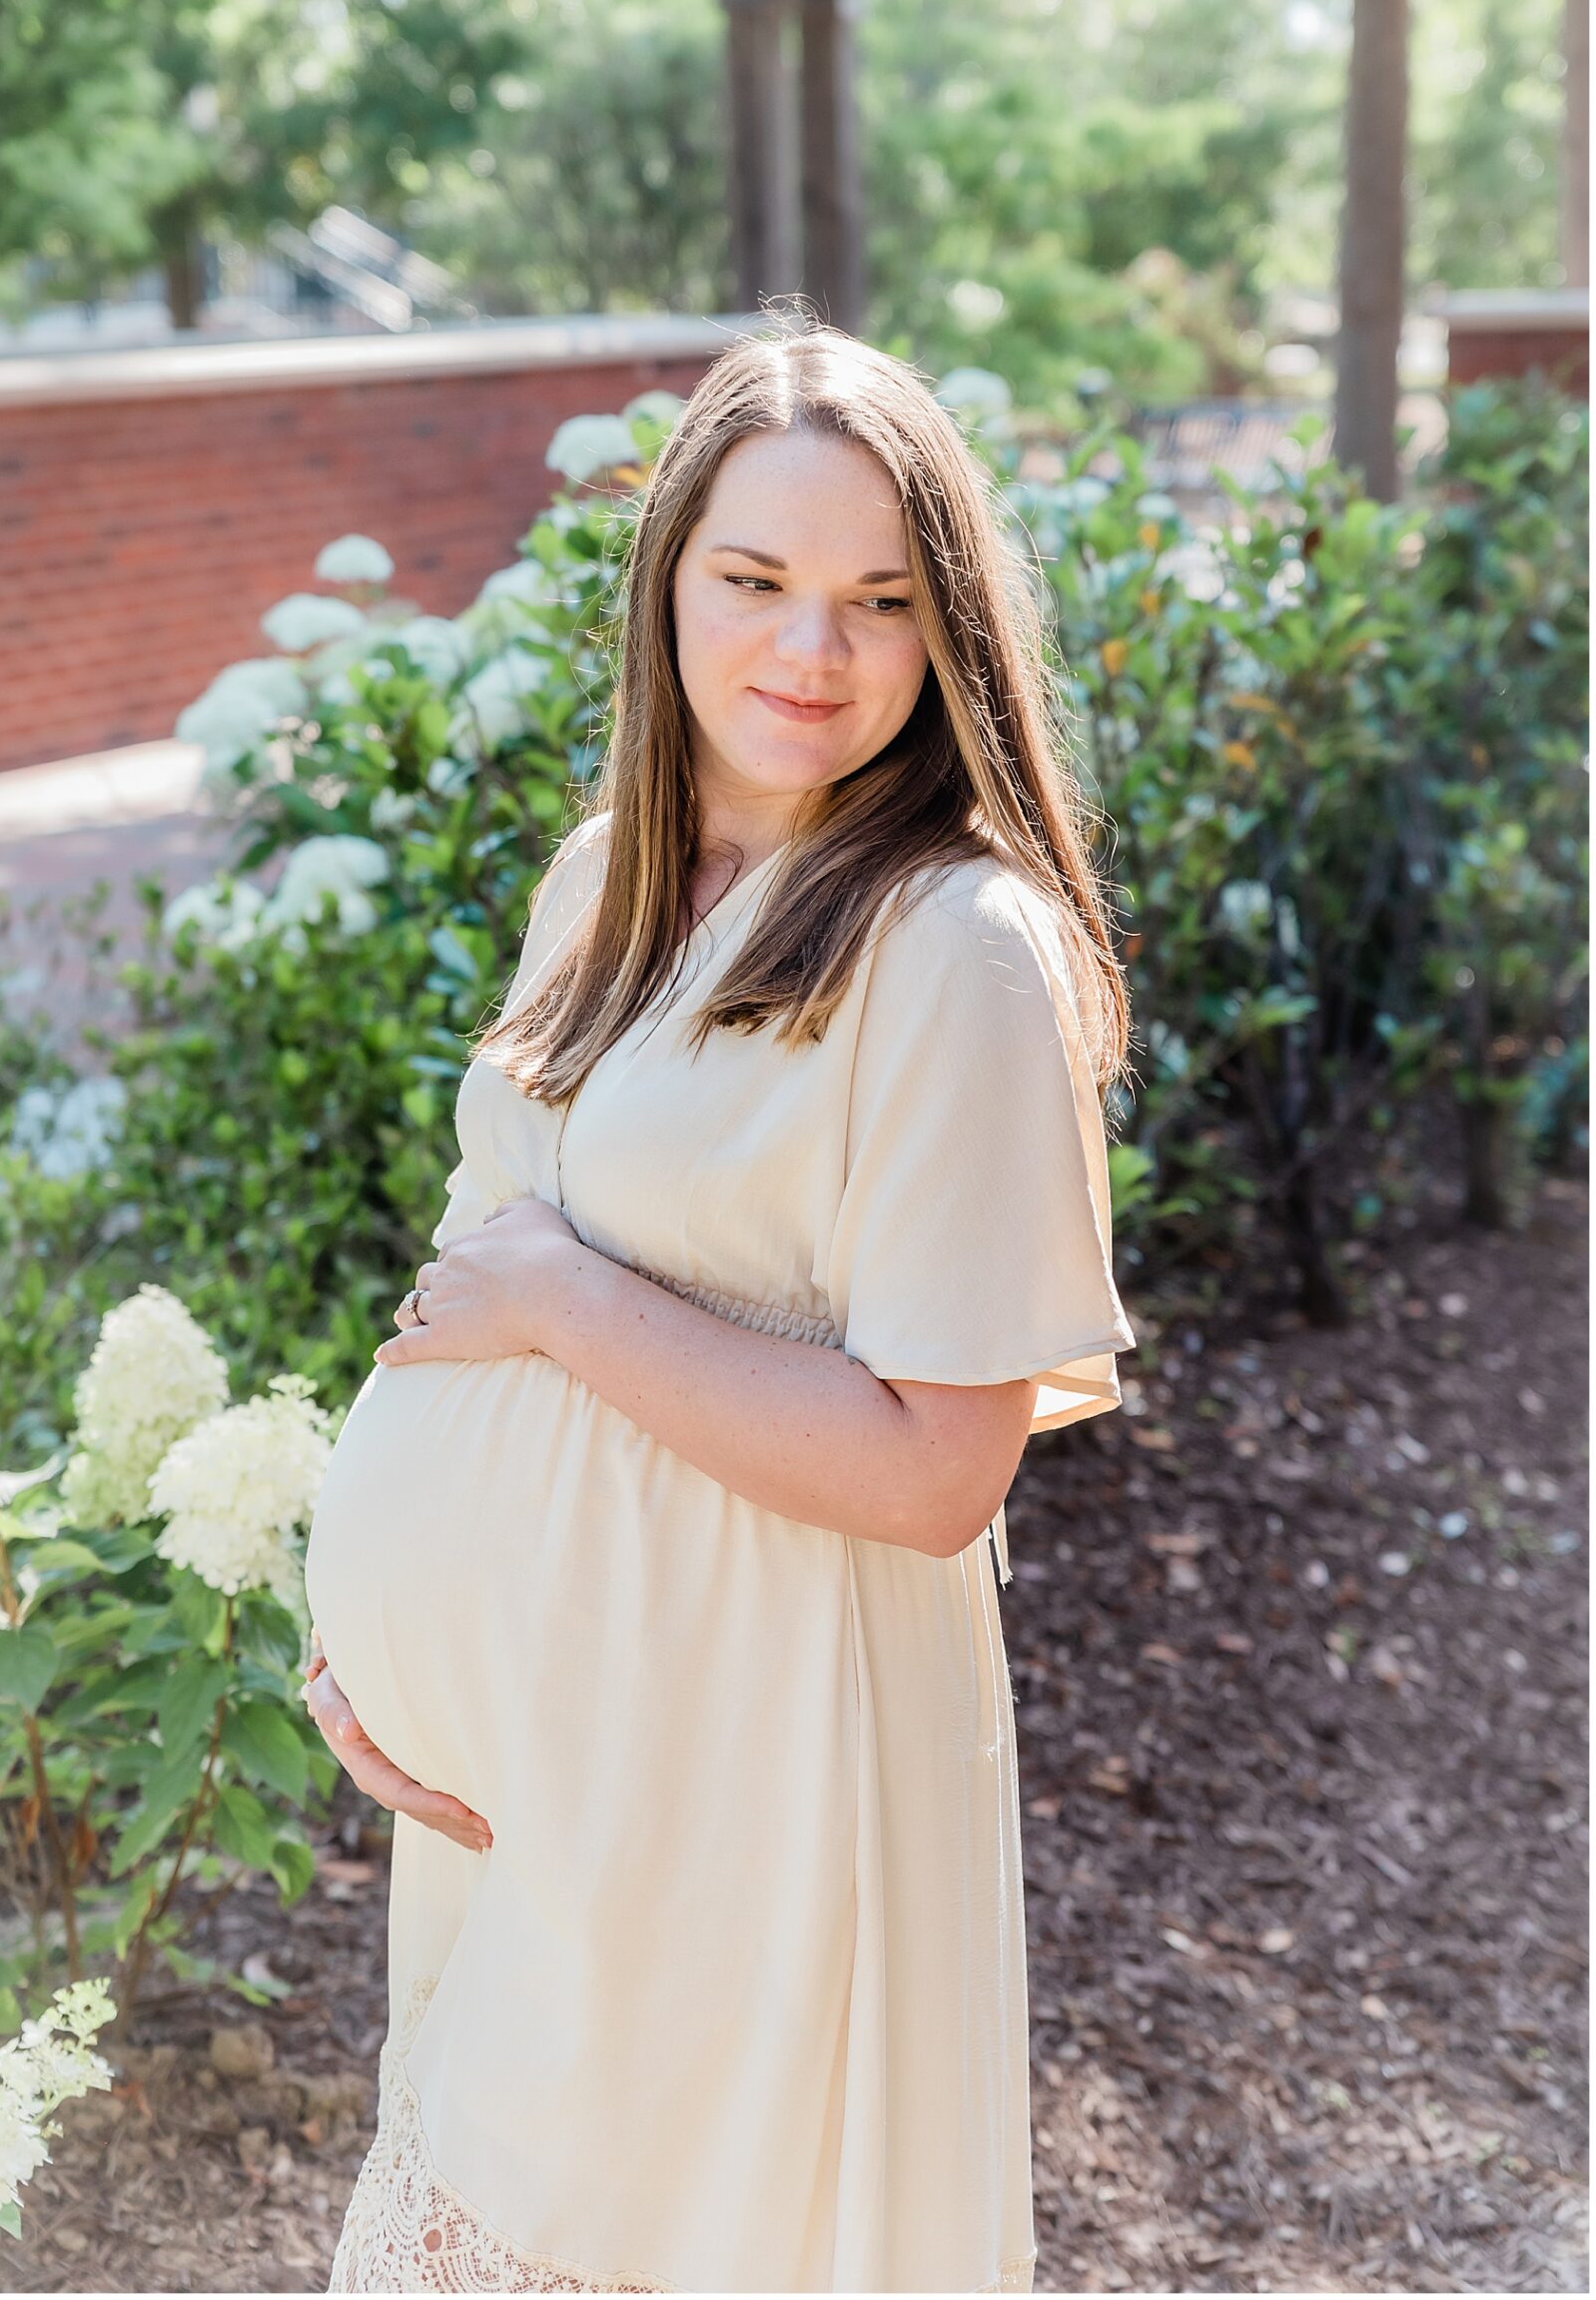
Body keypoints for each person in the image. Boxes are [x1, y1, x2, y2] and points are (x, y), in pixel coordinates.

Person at [302, 314, 1138, 2294]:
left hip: (744, 1775)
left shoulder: (955, 946)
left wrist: (569, 1301)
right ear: (667, 572)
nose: (809, 652)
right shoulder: (605, 878)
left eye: (879, 600)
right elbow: (463, 1290)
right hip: (526, 1786)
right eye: (754, 579)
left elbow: (943, 1466)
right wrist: (364, 1640)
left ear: (947, 636)